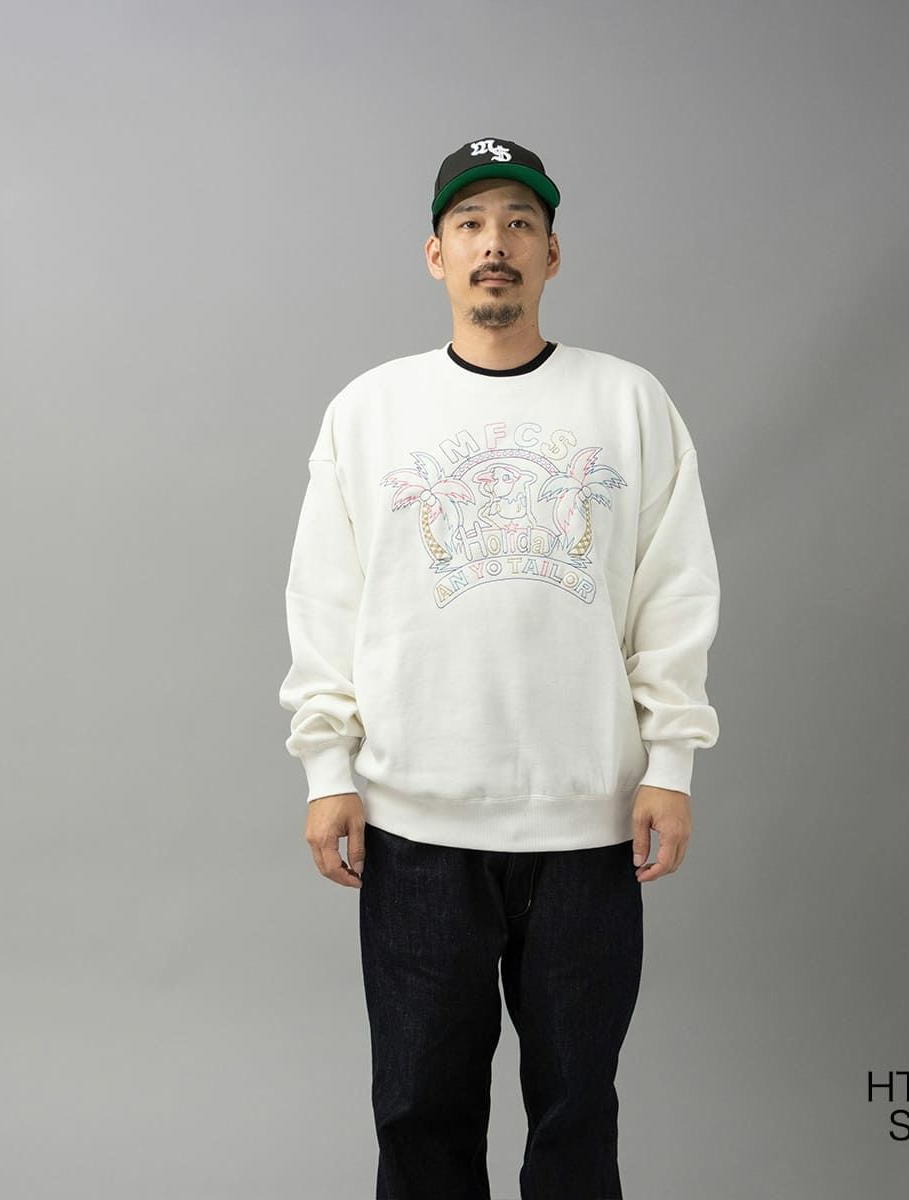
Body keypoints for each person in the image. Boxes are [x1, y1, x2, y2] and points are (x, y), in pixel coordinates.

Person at [278, 136, 722, 1200]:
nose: (496, 245)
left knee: (576, 1115)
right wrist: (328, 771)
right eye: (471, 223)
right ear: (435, 253)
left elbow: (674, 595)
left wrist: (671, 763)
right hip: (416, 824)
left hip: (588, 824)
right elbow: (325, 600)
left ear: (552, 254)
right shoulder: (370, 411)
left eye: (520, 224)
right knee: (419, 1113)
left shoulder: (629, 403)